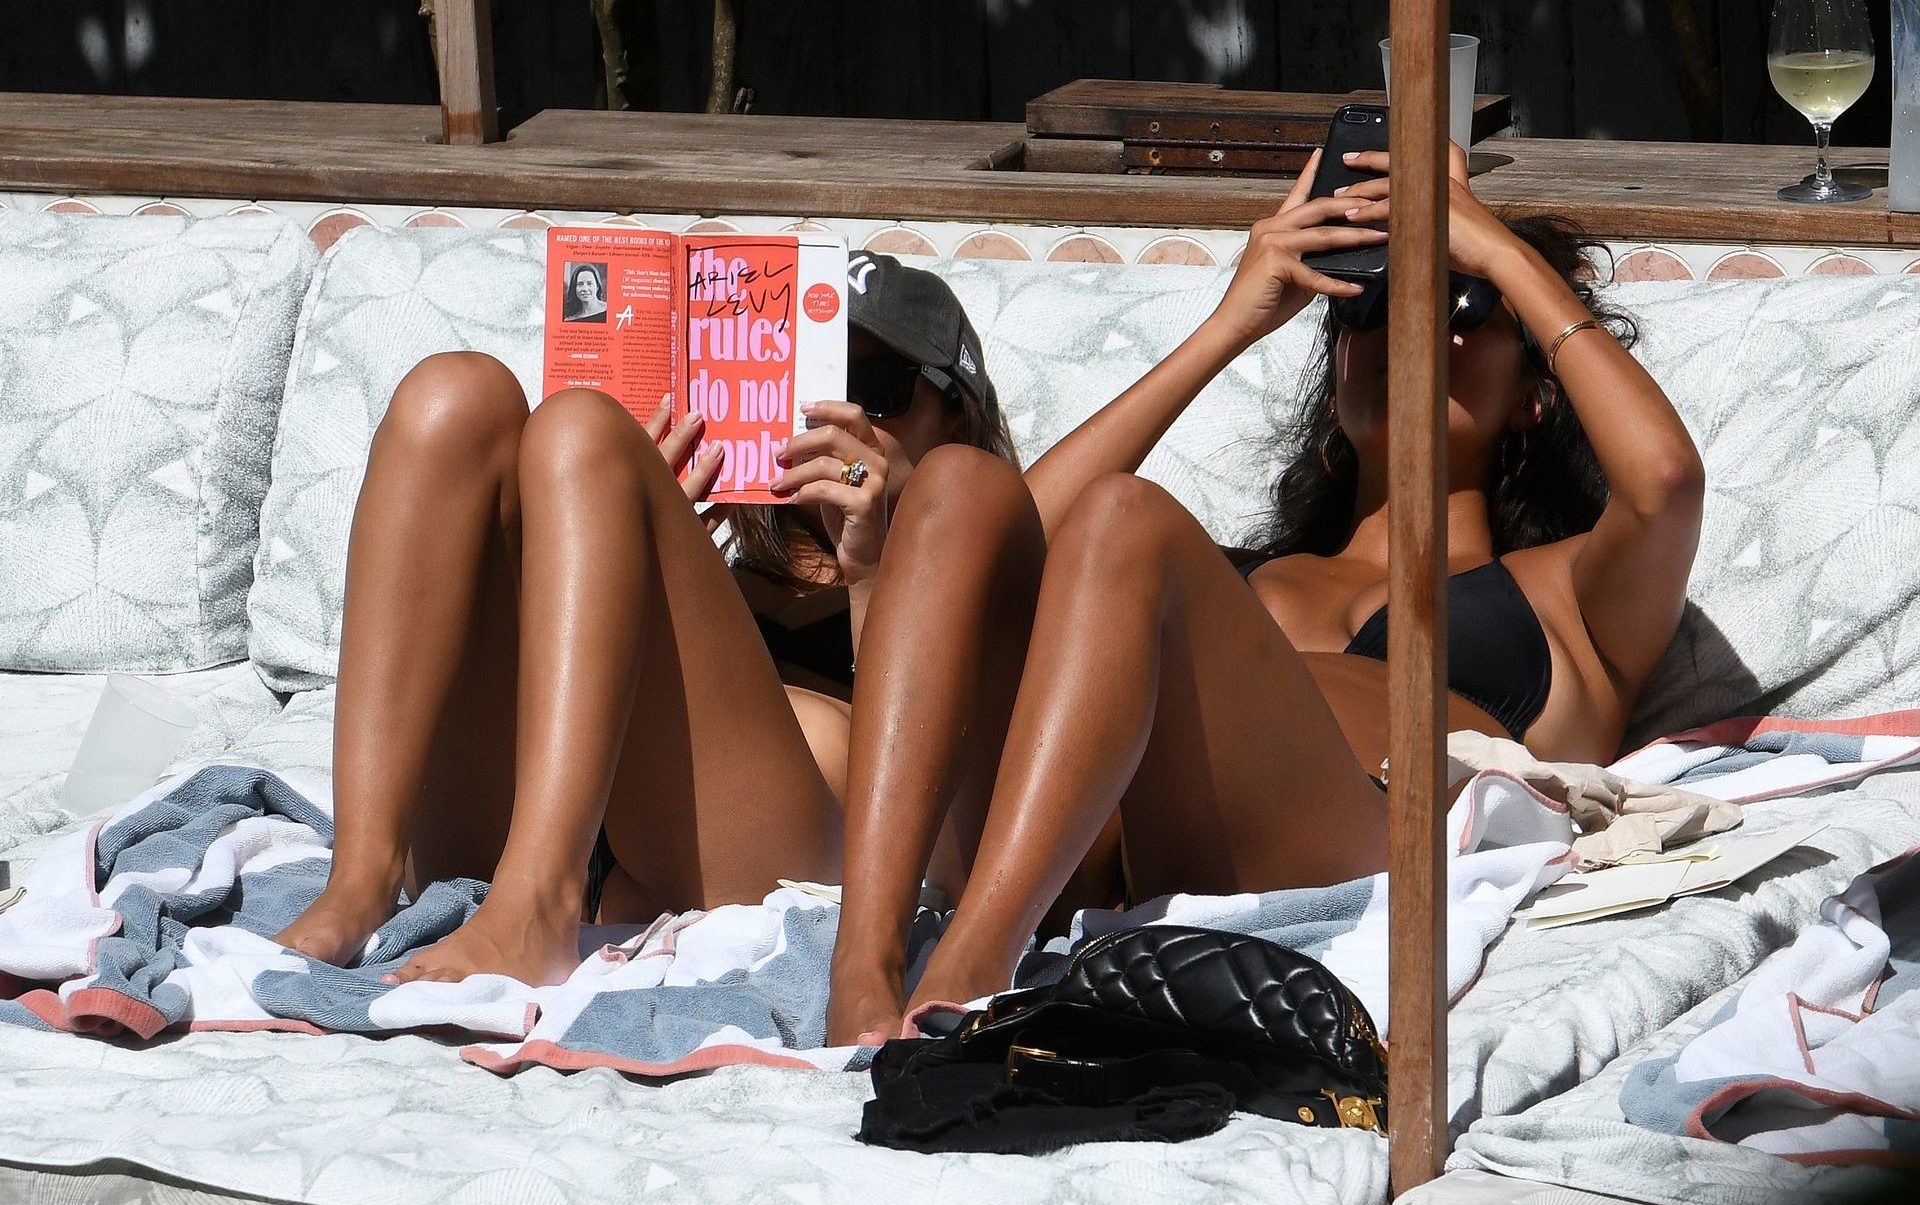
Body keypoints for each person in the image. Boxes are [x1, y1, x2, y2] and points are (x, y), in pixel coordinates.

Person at [824, 142, 1705, 1045]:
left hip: (1363, 848)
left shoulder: (1567, 590)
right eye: (1370, 304)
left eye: (1457, 302)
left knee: (1123, 516)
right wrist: (1231, 324)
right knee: (958, 482)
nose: (1407, 323)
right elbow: (982, 555)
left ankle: (971, 964)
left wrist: (1499, 251)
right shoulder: (1213, 577)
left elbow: (1666, 480)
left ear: (1535, 396)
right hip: (1100, 855)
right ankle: (864, 967)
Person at [273, 250, 1020, 988]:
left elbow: (956, 849)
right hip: (537, 826)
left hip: (774, 856)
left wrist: (873, 572)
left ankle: (538, 909)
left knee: (581, 427)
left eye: (876, 388)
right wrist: (621, 526)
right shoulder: (722, 560)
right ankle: (360, 878)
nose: (838, 415)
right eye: (810, 383)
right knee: (454, 394)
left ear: (957, 420)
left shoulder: (982, 556)